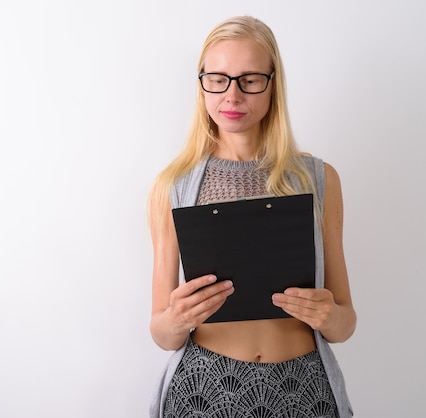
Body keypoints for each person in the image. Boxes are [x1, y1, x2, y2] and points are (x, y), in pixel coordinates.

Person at [147, 16, 356, 418]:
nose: (232, 95)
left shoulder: (318, 179)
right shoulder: (173, 187)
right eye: (218, 78)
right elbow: (161, 332)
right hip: (204, 390)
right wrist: (175, 319)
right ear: (202, 84)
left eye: (250, 79)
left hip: (304, 390)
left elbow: (345, 323)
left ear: (272, 83)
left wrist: (329, 315)